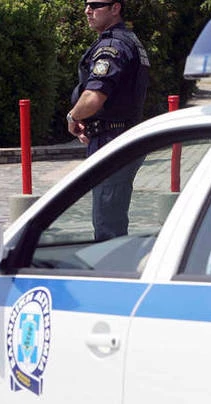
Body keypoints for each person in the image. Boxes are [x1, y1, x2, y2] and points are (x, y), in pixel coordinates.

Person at [67, 0, 150, 241]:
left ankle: (114, 264)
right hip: (120, 136)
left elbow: (94, 97)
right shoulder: (130, 40)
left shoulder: (113, 46)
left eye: (95, 5)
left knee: (107, 228)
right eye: (86, 5)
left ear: (115, 8)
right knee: (111, 220)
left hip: (111, 141)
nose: (88, 10)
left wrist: (73, 116)